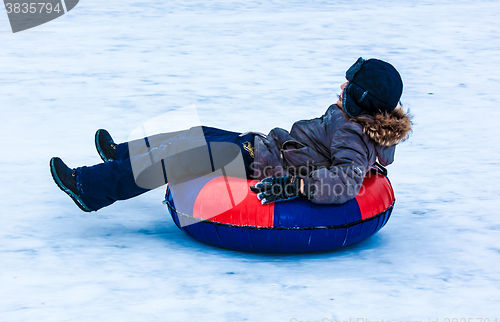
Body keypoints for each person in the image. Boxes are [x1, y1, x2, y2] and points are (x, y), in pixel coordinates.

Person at [50, 57, 412, 212]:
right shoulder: (355, 122)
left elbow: (345, 183)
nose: (340, 86)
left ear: (359, 101)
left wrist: (298, 186)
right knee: (195, 133)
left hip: (262, 162)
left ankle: (88, 189)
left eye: (348, 87)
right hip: (263, 147)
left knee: (175, 161)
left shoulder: (353, 134)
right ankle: (122, 155)